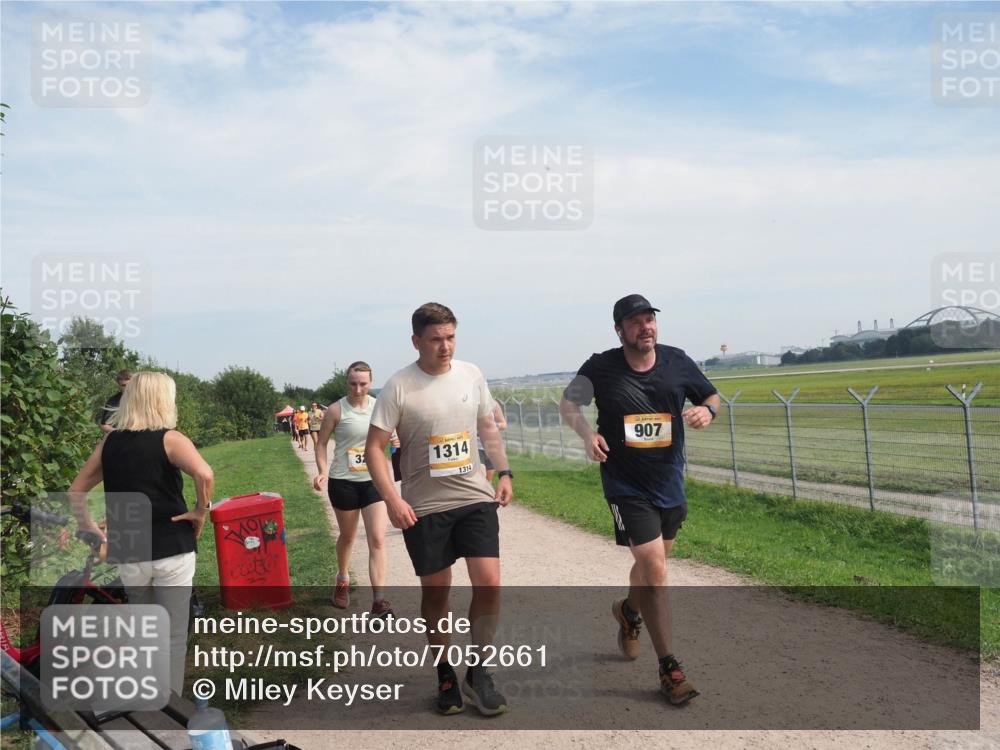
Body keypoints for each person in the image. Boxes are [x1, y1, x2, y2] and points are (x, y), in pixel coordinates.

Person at [559, 294, 720, 707]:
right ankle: (670, 667)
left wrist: (707, 411)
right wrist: (587, 434)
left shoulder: (677, 360)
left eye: (649, 319)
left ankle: (629, 611)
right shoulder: (600, 366)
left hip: (669, 482)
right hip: (624, 483)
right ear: (619, 330)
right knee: (654, 567)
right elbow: (569, 403)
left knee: (652, 568)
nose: (645, 326)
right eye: (635, 322)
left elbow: (711, 395)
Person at [365, 302, 513, 717]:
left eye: (450, 337)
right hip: (424, 507)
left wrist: (504, 471)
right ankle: (445, 671)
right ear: (416, 341)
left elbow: (487, 426)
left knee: (489, 584)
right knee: (437, 592)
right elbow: (374, 448)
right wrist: (392, 499)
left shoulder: (471, 374)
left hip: (473, 496)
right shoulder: (399, 387)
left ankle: (479, 671)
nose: (445, 347)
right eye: (435, 339)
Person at [68, 371, 214, 697]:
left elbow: (76, 490)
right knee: (173, 634)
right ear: (163, 399)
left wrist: (88, 527)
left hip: (129, 548)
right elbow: (204, 473)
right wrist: (200, 511)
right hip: (171, 544)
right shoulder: (171, 439)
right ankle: (169, 705)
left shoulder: (110, 442)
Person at [312, 363, 395, 617]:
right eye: (353, 383)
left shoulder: (380, 407)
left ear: (371, 383)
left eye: (363, 384)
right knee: (347, 537)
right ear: (346, 382)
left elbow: (391, 436)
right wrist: (323, 470)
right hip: (343, 481)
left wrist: (395, 439)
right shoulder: (336, 410)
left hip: (374, 481)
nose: (358, 388)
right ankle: (343, 578)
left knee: (377, 538)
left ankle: (379, 601)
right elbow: (321, 444)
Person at [478, 403, 507, 482]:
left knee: (488, 480)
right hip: (476, 447)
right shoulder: (470, 403)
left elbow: (503, 424)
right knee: (481, 475)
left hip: (492, 447)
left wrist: (492, 426)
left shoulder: (493, 404)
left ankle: (488, 493)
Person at [99, 369, 131, 434]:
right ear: (118, 385)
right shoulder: (113, 401)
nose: (127, 388)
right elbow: (104, 425)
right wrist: (120, 433)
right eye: (123, 385)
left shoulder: (144, 399)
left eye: (129, 385)